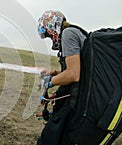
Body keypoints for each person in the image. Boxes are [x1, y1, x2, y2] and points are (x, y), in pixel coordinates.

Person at [36, 10, 87, 145]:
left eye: (48, 35)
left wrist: (49, 83)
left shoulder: (68, 34)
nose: (51, 39)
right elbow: (80, 71)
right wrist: (54, 73)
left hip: (79, 101)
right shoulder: (74, 32)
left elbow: (73, 75)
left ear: (53, 28)